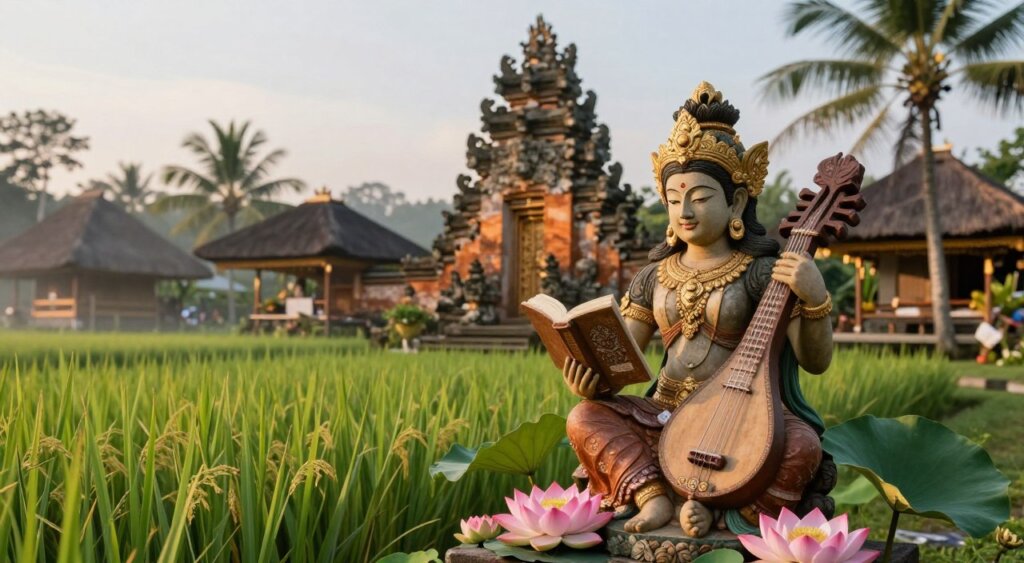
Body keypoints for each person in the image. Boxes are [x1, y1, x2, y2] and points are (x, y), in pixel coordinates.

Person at [563, 81, 834, 538]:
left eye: (701, 197)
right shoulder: (653, 276)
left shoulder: (760, 272)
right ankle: (651, 496)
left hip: (746, 418)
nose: (684, 210)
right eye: (673, 199)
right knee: (584, 417)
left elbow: (815, 361)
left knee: (802, 447)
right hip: (665, 412)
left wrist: (815, 298)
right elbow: (621, 357)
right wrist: (589, 377)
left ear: (737, 201)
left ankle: (727, 514)